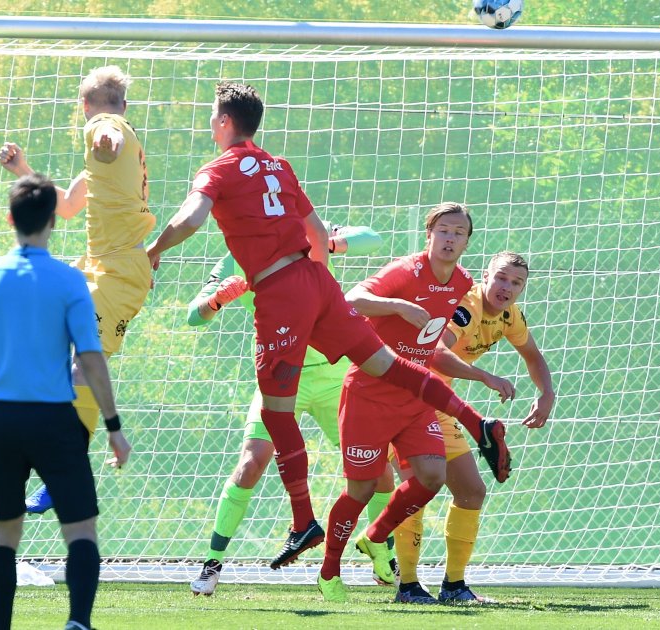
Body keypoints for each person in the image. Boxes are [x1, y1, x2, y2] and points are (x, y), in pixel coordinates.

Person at [147, 82, 507, 570]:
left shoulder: (217, 169)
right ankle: (476, 422)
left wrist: (152, 252)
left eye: (213, 118)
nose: (211, 126)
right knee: (388, 365)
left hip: (283, 295)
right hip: (318, 282)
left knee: (277, 414)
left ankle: (303, 522)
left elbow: (191, 220)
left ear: (225, 122)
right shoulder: (280, 166)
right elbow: (316, 234)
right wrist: (312, 282)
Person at [0, 174, 131, 630]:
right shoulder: (70, 282)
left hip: (5, 422)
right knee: (81, 531)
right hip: (56, 420)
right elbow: (91, 360)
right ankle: (77, 623)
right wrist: (113, 428)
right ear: (54, 220)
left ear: (11, 219)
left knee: (5, 533)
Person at [187, 223, 399, 595]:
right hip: (281, 379)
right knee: (251, 463)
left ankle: (383, 555)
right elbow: (194, 315)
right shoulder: (235, 256)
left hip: (333, 379)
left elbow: (374, 237)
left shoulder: (306, 233)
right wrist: (216, 300)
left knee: (378, 469)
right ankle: (212, 564)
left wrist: (330, 244)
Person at [0, 65, 153, 515]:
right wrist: (23, 169)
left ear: (84, 107)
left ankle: (64, 474)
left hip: (118, 275)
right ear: (125, 102)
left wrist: (104, 138)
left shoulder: (107, 129)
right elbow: (65, 205)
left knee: (82, 366)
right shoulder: (108, 164)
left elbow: (107, 135)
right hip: (101, 268)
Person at [318, 202, 492, 602]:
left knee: (431, 478)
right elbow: (353, 298)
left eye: (458, 233)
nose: (450, 239)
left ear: (467, 241)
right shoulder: (406, 270)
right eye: (444, 231)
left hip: (414, 398)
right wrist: (398, 305)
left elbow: (430, 346)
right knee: (359, 492)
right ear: (429, 235)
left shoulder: (462, 283)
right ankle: (329, 572)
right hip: (368, 396)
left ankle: (376, 537)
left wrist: (480, 374)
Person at [392, 251, 555, 604]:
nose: (506, 287)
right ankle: (406, 585)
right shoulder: (466, 307)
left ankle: (453, 587)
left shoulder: (510, 316)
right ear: (485, 276)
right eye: (501, 278)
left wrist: (546, 394)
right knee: (416, 488)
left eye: (516, 283)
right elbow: (434, 352)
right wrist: (485, 377)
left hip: (438, 402)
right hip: (403, 397)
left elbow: (533, 355)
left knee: (471, 491)